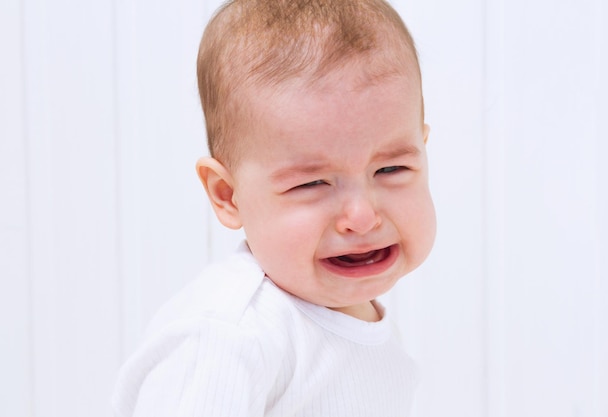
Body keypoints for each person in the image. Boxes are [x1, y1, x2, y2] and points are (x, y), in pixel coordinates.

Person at [112, 0, 436, 415]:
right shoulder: (230, 338)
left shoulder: (354, 318)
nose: (362, 216)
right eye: (312, 183)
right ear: (228, 195)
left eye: (391, 168)